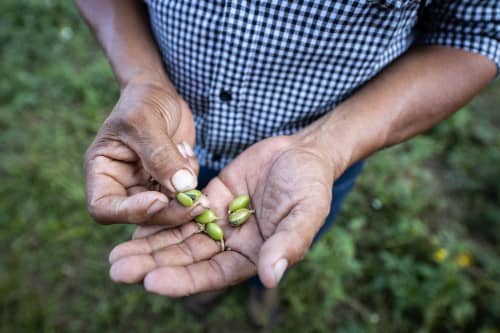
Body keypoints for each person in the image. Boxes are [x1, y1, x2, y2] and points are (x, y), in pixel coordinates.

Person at [77, 0, 499, 325]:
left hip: (319, 152)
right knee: (190, 223)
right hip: (177, 146)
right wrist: (142, 77)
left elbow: (477, 33)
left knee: (287, 228)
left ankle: (266, 281)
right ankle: (232, 281)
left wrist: (327, 148)